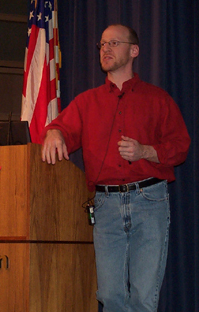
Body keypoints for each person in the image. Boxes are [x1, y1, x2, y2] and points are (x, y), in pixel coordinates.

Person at [41, 24, 190, 312]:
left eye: (113, 43)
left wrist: (146, 151)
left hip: (149, 202)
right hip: (105, 204)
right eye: (102, 45)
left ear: (134, 51)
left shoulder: (158, 99)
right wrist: (54, 133)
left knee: (143, 298)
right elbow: (60, 128)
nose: (105, 49)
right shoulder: (87, 102)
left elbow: (180, 146)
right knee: (110, 296)